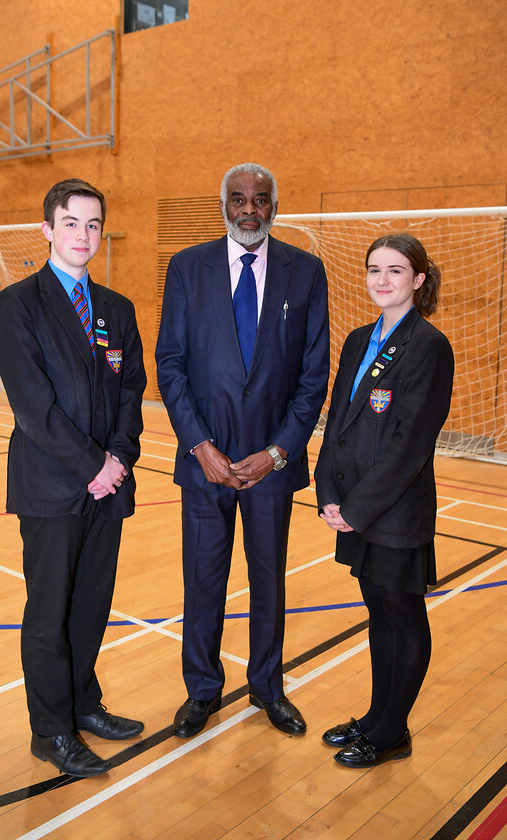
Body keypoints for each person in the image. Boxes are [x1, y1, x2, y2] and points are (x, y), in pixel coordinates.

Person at [155, 163, 330, 738]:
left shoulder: (305, 272)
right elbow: (171, 365)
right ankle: (201, 691)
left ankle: (267, 688)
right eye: (238, 199)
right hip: (205, 461)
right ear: (223, 205)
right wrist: (199, 445)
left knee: (268, 581)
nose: (249, 209)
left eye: (259, 199)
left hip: (270, 468)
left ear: (275, 206)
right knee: (203, 582)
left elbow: (312, 378)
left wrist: (278, 453)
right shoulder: (187, 268)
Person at [0, 179, 147, 777]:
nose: (84, 236)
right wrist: (93, 467)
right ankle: (51, 731)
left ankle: (84, 704)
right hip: (52, 486)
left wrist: (120, 457)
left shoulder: (117, 309)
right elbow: (34, 407)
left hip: (108, 486)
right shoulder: (19, 304)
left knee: (90, 607)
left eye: (93, 225)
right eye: (72, 223)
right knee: (49, 613)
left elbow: (132, 391)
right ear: (47, 229)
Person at [315, 233, 454, 768]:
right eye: (375, 269)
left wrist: (356, 509)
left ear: (418, 280)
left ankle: (394, 730)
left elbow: (411, 443)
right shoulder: (357, 339)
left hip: (393, 512)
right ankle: (376, 716)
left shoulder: (428, 345)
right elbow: (338, 425)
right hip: (353, 506)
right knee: (377, 610)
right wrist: (329, 492)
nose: (382, 280)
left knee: (403, 614)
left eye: (396, 271)